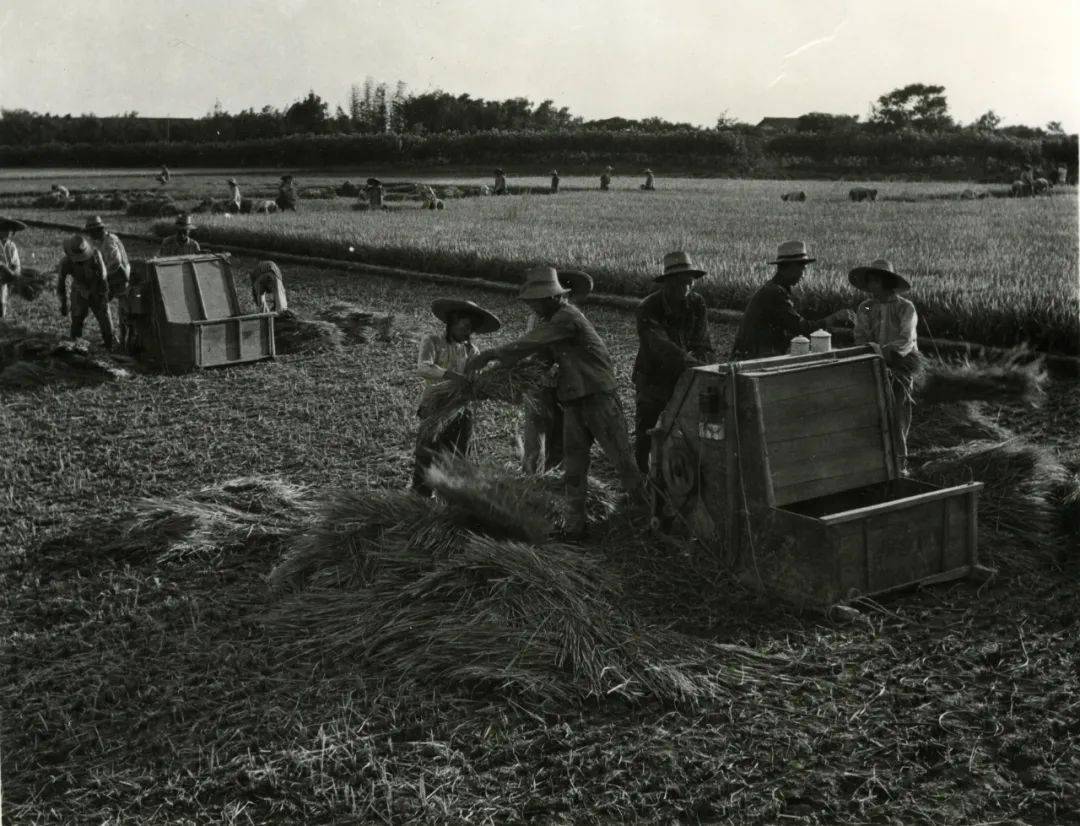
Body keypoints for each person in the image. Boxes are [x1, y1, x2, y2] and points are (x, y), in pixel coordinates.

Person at [466, 266, 645, 539]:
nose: (531, 307)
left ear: (550, 297)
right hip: (573, 402)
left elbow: (531, 343)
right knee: (574, 468)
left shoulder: (566, 317)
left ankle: (646, 515)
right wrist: (500, 380)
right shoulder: (551, 322)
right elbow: (540, 361)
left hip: (598, 399)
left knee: (622, 460)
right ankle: (576, 526)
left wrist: (492, 354)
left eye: (534, 301)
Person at [633, 251, 715, 473]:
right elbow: (661, 347)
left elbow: (703, 341)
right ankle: (641, 479)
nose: (685, 287)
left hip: (683, 373)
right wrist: (693, 365)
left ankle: (673, 475)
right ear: (667, 283)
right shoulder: (648, 308)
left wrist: (706, 365)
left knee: (686, 426)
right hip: (653, 377)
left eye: (689, 282)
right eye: (679, 283)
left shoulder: (697, 303)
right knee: (647, 428)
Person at [413, 298, 502, 496]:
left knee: (456, 455)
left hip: (461, 408)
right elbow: (423, 367)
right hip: (434, 405)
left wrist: (481, 386)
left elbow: (473, 379)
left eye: (471, 328)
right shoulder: (433, 340)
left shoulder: (472, 351)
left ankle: (450, 497)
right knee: (427, 453)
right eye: (464, 326)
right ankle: (420, 498)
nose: (467, 332)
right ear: (453, 321)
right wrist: (454, 376)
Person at [520, 268, 593, 474]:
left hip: (565, 384)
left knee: (562, 432)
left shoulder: (573, 318)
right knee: (536, 432)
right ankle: (532, 476)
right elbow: (533, 349)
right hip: (540, 382)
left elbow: (576, 354)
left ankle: (555, 475)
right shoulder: (535, 319)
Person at [850, 259, 922, 464]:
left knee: (897, 414)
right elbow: (860, 335)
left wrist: (886, 353)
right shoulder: (865, 307)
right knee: (874, 415)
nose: (870, 286)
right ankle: (877, 462)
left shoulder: (905, 308)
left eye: (874, 281)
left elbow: (906, 339)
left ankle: (900, 462)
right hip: (872, 365)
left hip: (898, 367)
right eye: (869, 281)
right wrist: (868, 352)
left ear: (886, 282)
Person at [731, 240, 853, 360]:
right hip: (751, 359)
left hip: (754, 355)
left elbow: (799, 319)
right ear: (790, 267)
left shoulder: (777, 289)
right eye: (802, 268)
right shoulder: (775, 293)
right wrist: (835, 318)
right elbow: (802, 329)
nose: (803, 274)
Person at [57, 235, 114, 349]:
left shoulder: (96, 255)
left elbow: (103, 276)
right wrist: (64, 303)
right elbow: (61, 283)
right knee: (77, 319)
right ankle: (75, 346)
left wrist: (102, 295)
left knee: (104, 318)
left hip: (97, 287)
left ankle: (109, 344)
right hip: (79, 288)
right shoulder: (66, 262)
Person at [84, 216, 130, 340]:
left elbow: (115, 264)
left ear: (98, 230)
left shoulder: (110, 242)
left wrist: (101, 278)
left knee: (125, 311)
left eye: (91, 232)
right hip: (109, 277)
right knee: (101, 304)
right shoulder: (98, 241)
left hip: (120, 277)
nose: (90, 235)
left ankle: (124, 339)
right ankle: (110, 337)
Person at [0, 217, 26, 319]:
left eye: (10, 230)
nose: (8, 232)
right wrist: (3, 267)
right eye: (4, 229)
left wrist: (15, 272)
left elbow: (16, 263)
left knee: (2, 303)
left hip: (3, 280)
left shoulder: (11, 246)